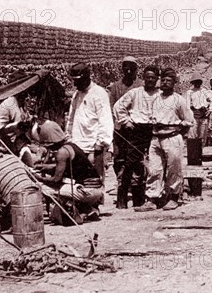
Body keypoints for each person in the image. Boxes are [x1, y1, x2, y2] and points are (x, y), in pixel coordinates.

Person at [136, 68, 194, 211]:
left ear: (174, 83)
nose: (165, 83)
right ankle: (152, 199)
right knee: (154, 169)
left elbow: (189, 121)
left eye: (169, 81)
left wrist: (174, 126)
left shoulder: (179, 100)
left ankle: (174, 197)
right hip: (156, 138)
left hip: (172, 138)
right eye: (163, 80)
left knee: (173, 169)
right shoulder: (155, 98)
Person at [33, 121, 104, 221]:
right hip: (97, 190)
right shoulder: (71, 146)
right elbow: (64, 166)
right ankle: (88, 210)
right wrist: (44, 167)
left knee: (44, 188)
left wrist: (39, 178)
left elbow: (55, 179)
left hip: (87, 192)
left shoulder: (61, 153)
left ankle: (81, 210)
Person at [113, 65, 160, 209]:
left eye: (153, 77)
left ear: (157, 79)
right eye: (147, 77)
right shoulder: (135, 92)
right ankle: (122, 199)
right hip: (137, 130)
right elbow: (118, 106)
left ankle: (145, 198)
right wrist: (126, 121)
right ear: (143, 78)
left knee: (154, 162)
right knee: (130, 163)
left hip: (154, 130)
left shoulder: (161, 94)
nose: (150, 80)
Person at [66, 63, 114, 183]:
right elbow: (71, 118)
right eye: (73, 81)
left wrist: (100, 144)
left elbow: (106, 120)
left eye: (77, 81)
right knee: (79, 181)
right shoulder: (77, 94)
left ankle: (98, 202)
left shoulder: (99, 93)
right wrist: (69, 136)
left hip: (93, 147)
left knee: (94, 182)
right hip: (77, 145)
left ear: (86, 77)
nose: (75, 84)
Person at [0, 143, 39, 230]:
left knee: (0, 204)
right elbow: (31, 174)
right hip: (33, 190)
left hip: (15, 197)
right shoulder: (13, 158)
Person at [107, 56, 142, 195]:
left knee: (137, 157)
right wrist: (119, 122)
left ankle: (136, 184)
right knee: (119, 157)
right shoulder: (115, 87)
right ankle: (122, 182)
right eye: (125, 67)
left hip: (137, 128)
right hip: (120, 129)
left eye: (131, 68)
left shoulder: (141, 85)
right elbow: (111, 107)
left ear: (136, 69)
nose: (128, 71)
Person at [0, 70, 35, 166]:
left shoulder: (22, 102)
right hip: (8, 146)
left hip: (21, 143)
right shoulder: (8, 103)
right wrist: (16, 126)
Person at [186, 73, 212, 144]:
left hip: (204, 114)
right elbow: (187, 105)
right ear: (193, 82)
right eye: (195, 81)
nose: (197, 83)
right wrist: (190, 114)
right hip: (194, 115)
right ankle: (194, 152)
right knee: (193, 134)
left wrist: (210, 110)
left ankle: (201, 150)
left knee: (203, 134)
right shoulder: (190, 92)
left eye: (199, 81)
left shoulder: (205, 91)